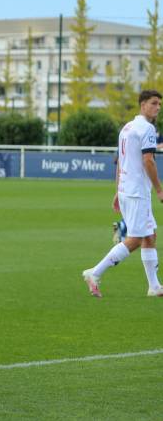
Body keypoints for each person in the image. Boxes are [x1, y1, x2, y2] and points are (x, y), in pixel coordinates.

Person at [83, 89, 163, 297]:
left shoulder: (126, 128)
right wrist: (159, 189)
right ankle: (95, 272)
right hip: (137, 192)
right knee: (136, 239)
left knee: (149, 235)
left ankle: (154, 286)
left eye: (159, 105)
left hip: (127, 189)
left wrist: (117, 191)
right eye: (154, 103)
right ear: (143, 104)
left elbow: (120, 161)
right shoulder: (146, 129)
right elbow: (148, 161)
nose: (158, 108)